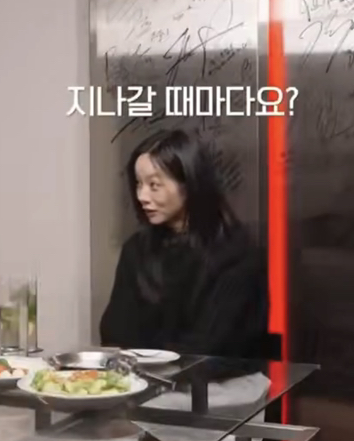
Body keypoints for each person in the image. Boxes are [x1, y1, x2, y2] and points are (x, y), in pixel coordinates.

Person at [99, 129, 268, 358]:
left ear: (188, 184)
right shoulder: (136, 249)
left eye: (154, 185)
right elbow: (115, 332)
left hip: (219, 376)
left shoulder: (237, 252)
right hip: (142, 373)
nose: (142, 196)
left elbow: (215, 344)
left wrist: (151, 355)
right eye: (138, 184)